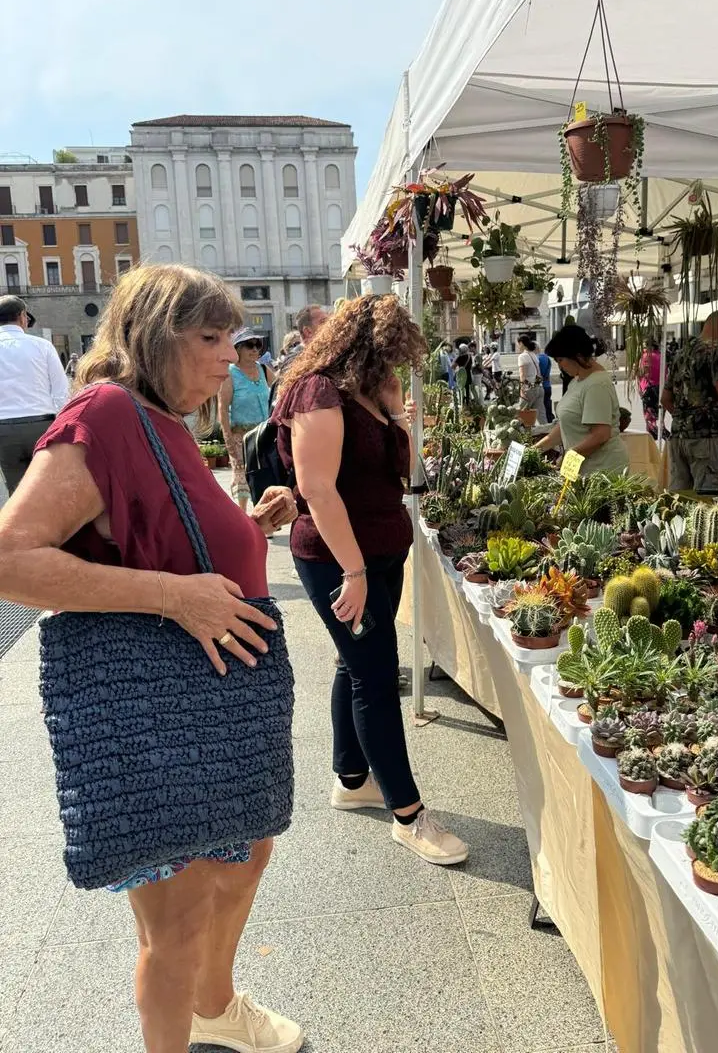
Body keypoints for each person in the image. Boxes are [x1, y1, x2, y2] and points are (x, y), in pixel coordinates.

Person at [0, 264, 301, 1053]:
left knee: (244, 856)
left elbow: (161, 533)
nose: (225, 359)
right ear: (153, 336)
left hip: (216, 700)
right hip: (155, 707)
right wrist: (174, 596)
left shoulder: (165, 423)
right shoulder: (105, 413)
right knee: (179, 918)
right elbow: (9, 560)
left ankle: (218, 1006)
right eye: (207, 339)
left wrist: (248, 526)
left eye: (228, 340)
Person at [273, 294, 468, 867]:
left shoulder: (365, 392)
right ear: (363, 346)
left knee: (355, 666)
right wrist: (353, 571)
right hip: (341, 560)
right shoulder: (318, 392)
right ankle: (408, 816)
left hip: (381, 552)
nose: (396, 366)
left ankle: (353, 777)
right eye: (389, 354)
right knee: (377, 679)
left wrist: (399, 418)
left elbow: (405, 477)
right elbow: (318, 489)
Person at [661, 309, 718, 493]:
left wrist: (685, 419)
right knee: (708, 502)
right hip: (708, 439)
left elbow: (665, 399)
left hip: (679, 438)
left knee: (679, 501)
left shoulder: (681, 353)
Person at [534, 324, 629, 475]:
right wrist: (535, 450)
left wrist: (569, 457)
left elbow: (601, 434)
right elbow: (566, 424)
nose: (559, 366)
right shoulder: (577, 381)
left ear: (577, 356)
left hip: (602, 470)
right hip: (583, 468)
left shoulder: (596, 384)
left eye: (560, 360)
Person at [0, 294, 70, 494]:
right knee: (49, 488)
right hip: (41, 424)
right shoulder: (42, 346)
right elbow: (60, 390)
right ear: (22, 317)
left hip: (4, 429)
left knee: (17, 493)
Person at [218, 328, 274, 512]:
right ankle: (243, 517)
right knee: (242, 479)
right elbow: (223, 409)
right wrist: (228, 440)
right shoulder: (230, 374)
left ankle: (264, 515)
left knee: (265, 475)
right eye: (250, 345)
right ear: (238, 348)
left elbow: (281, 390)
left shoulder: (264, 369)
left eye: (258, 345)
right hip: (240, 436)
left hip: (264, 434)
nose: (255, 349)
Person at [637, 340, 662, 440]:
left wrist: (639, 387)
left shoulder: (645, 357)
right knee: (658, 418)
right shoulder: (661, 356)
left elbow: (642, 373)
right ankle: (661, 436)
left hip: (648, 389)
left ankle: (661, 439)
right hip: (660, 388)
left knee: (649, 419)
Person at [517, 336, 543, 412]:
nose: (518, 346)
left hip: (528, 389)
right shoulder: (533, 355)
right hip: (538, 387)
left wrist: (522, 390)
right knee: (538, 414)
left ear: (521, 343)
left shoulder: (522, 356)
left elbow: (523, 375)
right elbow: (538, 373)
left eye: (518, 344)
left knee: (522, 414)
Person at [537, 344, 554, 424]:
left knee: (542, 409)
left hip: (541, 386)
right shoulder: (547, 358)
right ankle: (551, 422)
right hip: (548, 385)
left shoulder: (537, 359)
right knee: (548, 406)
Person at [454, 342, 473, 406]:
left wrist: (457, 369)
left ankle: (461, 403)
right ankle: (467, 403)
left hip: (461, 375)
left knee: (460, 389)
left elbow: (452, 366)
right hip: (468, 374)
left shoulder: (459, 357)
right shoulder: (469, 357)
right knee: (467, 389)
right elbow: (471, 365)